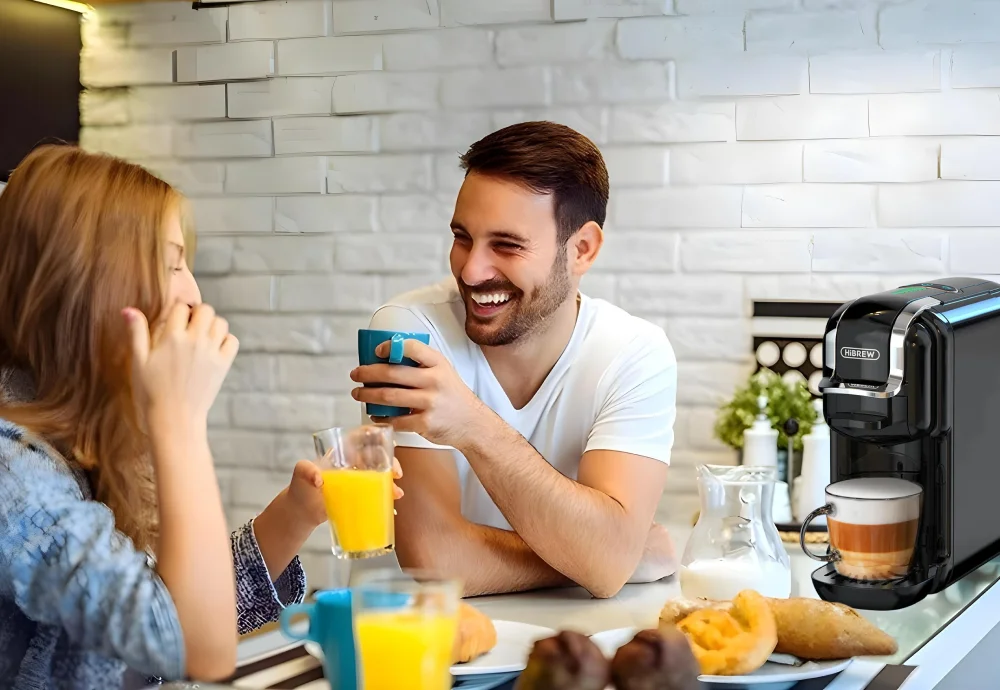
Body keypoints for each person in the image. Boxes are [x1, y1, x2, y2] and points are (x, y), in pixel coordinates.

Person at [0, 145, 399, 689]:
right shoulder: (13, 470)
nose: (193, 292)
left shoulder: (86, 432)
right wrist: (180, 419)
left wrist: (295, 512)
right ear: (88, 285)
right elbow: (198, 649)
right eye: (171, 265)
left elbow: (169, 612)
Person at [350, 121, 678, 600]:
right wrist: (606, 557)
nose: (471, 270)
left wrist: (471, 425)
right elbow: (435, 561)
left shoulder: (634, 353)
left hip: (579, 637)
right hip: (429, 636)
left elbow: (609, 563)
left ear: (581, 249)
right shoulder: (409, 333)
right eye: (463, 237)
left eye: (506, 245)